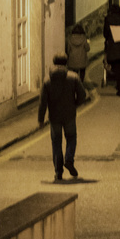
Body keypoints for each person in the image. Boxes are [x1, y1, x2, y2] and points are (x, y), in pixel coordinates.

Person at [38, 52, 87, 182]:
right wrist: (75, 104)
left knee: (56, 143)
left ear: (54, 63)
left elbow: (43, 102)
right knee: (71, 138)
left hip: (54, 117)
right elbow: (82, 95)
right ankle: (69, 159)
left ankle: (58, 172)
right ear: (66, 62)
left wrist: (41, 119)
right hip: (69, 115)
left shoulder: (47, 80)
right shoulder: (73, 77)